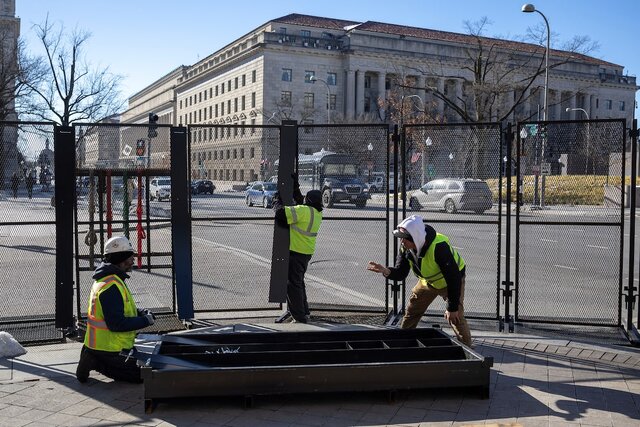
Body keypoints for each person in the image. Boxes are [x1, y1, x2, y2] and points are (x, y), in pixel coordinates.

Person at [367, 215, 472, 346]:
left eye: (404, 239)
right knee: (412, 311)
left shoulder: (439, 246)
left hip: (450, 282)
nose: (402, 242)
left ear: (415, 238)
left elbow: (453, 278)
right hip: (427, 282)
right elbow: (401, 273)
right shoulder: (406, 248)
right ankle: (403, 342)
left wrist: (451, 308)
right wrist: (386, 271)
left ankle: (468, 349)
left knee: (455, 316)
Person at [76, 236, 155, 383]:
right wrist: (145, 321)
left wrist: (140, 312)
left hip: (101, 345)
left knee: (146, 365)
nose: (133, 260)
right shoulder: (111, 286)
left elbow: (121, 306)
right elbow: (116, 324)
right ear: (122, 259)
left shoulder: (109, 279)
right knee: (144, 376)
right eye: (131, 256)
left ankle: (91, 354)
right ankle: (95, 361)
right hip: (110, 349)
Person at [273, 176, 323, 323]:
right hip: (306, 253)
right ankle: (304, 311)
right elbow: (301, 202)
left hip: (296, 252)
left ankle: (300, 316)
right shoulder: (317, 212)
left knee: (292, 285)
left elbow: (280, 213)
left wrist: (277, 200)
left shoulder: (303, 211)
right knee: (298, 283)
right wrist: (295, 189)